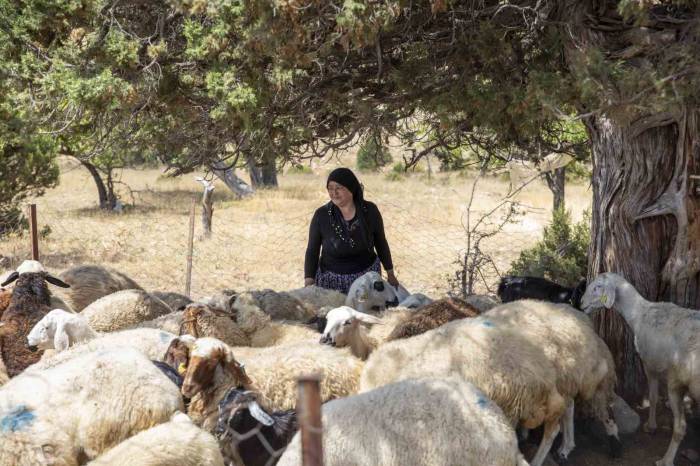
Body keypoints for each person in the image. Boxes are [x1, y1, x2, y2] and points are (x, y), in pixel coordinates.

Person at [304, 167, 399, 295]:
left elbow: (380, 242)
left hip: (366, 281)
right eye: (330, 188)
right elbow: (312, 250)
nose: (334, 193)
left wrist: (390, 273)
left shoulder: (370, 211)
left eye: (339, 188)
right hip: (332, 284)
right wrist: (309, 283)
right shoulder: (322, 215)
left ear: (351, 188)